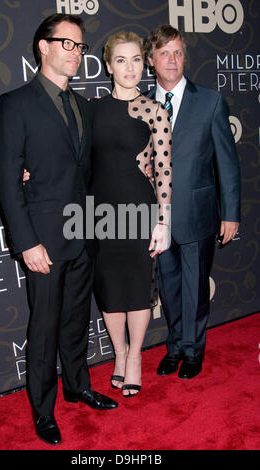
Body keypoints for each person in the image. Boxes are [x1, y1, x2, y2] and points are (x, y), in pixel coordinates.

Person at [0, 13, 118, 446]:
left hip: (84, 234)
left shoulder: (83, 105)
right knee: (43, 328)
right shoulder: (15, 104)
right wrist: (26, 243)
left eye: (80, 46)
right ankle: (43, 410)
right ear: (43, 46)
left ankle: (78, 386)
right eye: (68, 44)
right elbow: (7, 181)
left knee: (76, 320)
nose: (77, 54)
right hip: (43, 239)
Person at [144, 25, 241, 379]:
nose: (172, 59)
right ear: (151, 60)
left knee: (195, 285)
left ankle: (193, 350)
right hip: (157, 218)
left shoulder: (210, 101)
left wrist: (230, 214)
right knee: (169, 287)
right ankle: (175, 347)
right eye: (164, 53)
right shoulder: (139, 105)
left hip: (199, 212)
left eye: (178, 52)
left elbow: (227, 163)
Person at [90, 32, 172, 397]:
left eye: (136, 59)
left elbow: (165, 172)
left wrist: (163, 222)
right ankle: (119, 353)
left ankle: (135, 355)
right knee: (110, 290)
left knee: (138, 289)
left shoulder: (155, 110)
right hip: (101, 213)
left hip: (141, 210)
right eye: (121, 60)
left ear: (145, 63)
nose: (129, 67)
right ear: (108, 66)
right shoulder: (91, 110)